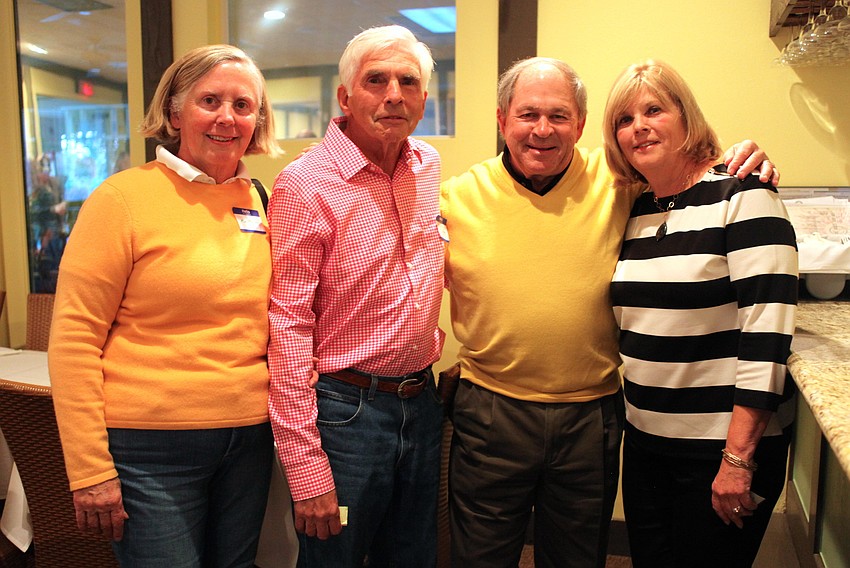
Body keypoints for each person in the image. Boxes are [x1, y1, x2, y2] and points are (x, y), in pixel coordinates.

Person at [439, 56, 779, 568]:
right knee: (478, 556)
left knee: (577, 556)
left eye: (559, 115)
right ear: (501, 118)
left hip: (591, 415)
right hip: (493, 409)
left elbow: (688, 171)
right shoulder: (454, 198)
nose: (542, 130)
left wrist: (744, 155)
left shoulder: (622, 179)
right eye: (528, 114)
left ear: (579, 123)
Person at [49, 44, 281, 566]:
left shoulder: (261, 201)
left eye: (243, 105)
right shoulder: (122, 200)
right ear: (175, 112)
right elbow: (73, 339)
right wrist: (89, 469)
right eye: (210, 101)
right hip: (149, 449)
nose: (227, 117)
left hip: (248, 439)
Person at [603, 60, 797, 568]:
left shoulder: (745, 196)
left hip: (721, 452)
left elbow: (766, 339)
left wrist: (737, 460)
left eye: (653, 110)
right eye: (624, 119)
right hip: (645, 445)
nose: (638, 126)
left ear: (685, 117)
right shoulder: (636, 209)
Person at [267, 26, 444, 568]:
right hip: (345, 416)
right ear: (345, 97)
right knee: (333, 556)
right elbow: (288, 328)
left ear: (423, 100)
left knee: (411, 555)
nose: (393, 93)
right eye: (376, 80)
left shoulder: (428, 166)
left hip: (422, 404)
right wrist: (305, 466)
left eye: (407, 81)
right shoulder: (304, 184)